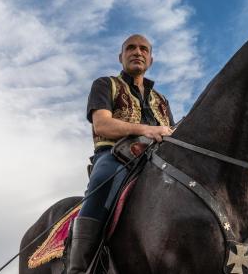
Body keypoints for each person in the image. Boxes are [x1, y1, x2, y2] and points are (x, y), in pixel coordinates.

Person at [67, 34, 174, 274]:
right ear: (121, 56)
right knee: (102, 183)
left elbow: (172, 133)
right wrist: (145, 129)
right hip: (116, 155)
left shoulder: (161, 100)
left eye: (144, 49)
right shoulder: (105, 84)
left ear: (151, 59)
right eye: (131, 48)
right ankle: (79, 268)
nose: (138, 52)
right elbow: (102, 125)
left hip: (158, 161)